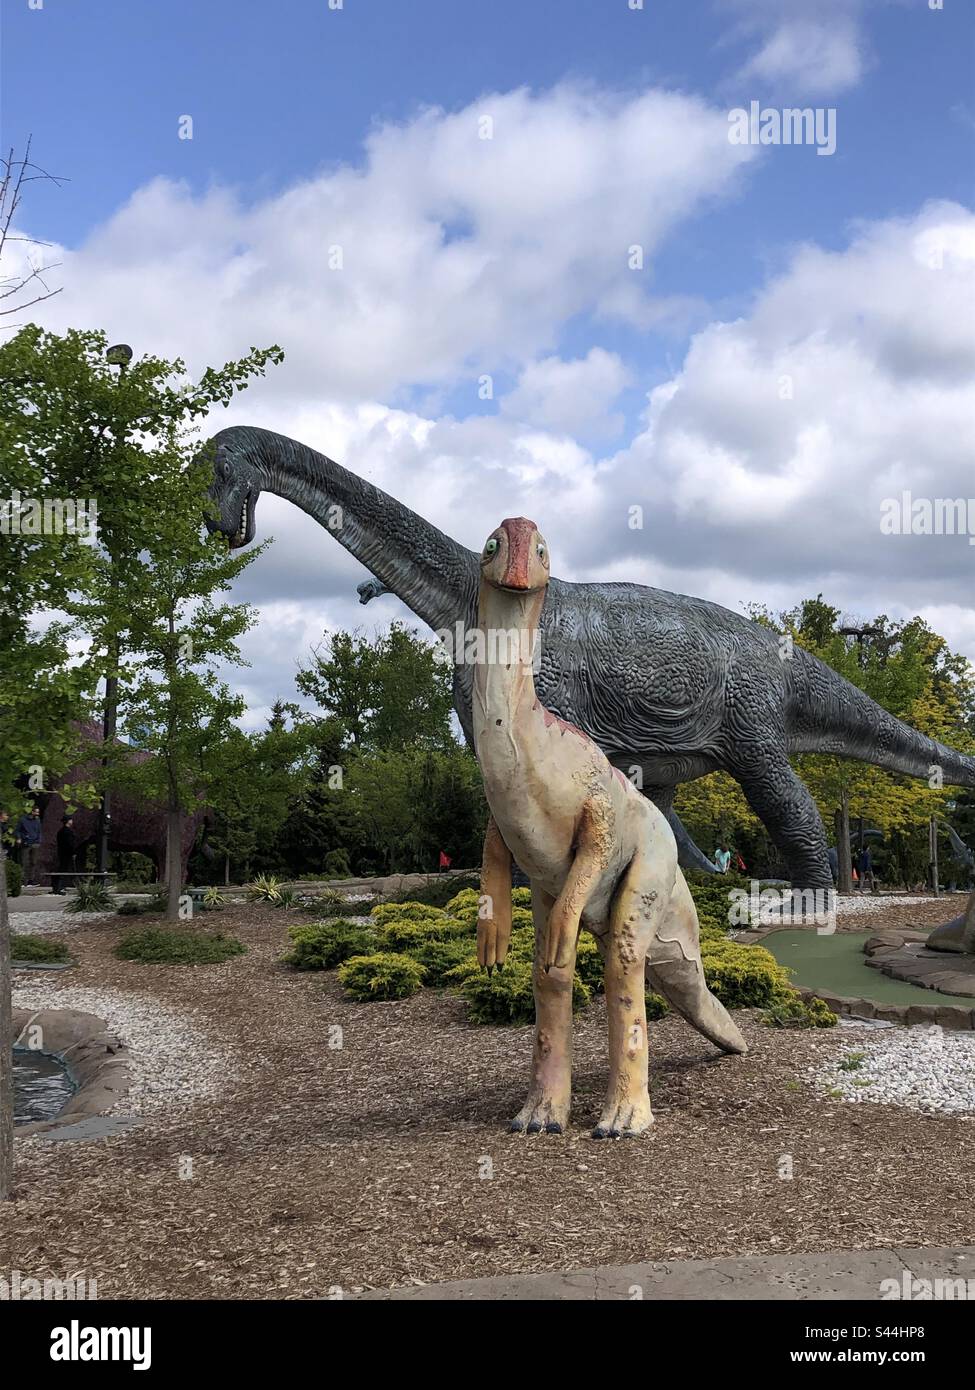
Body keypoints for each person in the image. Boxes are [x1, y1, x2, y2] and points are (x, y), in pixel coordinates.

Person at [15, 804, 42, 886]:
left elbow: (39, 831)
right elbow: (17, 830)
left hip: (35, 843)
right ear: (32, 812)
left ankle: (31, 880)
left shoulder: (37, 820)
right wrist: (19, 838)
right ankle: (23, 881)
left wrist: (39, 840)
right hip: (26, 843)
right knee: (24, 862)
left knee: (34, 862)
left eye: (38, 812)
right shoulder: (23, 820)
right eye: (36, 812)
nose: (37, 814)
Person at [53, 815, 77, 895]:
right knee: (64, 869)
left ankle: (60, 886)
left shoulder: (60, 831)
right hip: (67, 853)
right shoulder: (68, 832)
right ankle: (61, 887)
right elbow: (70, 843)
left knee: (62, 868)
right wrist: (73, 852)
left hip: (61, 852)